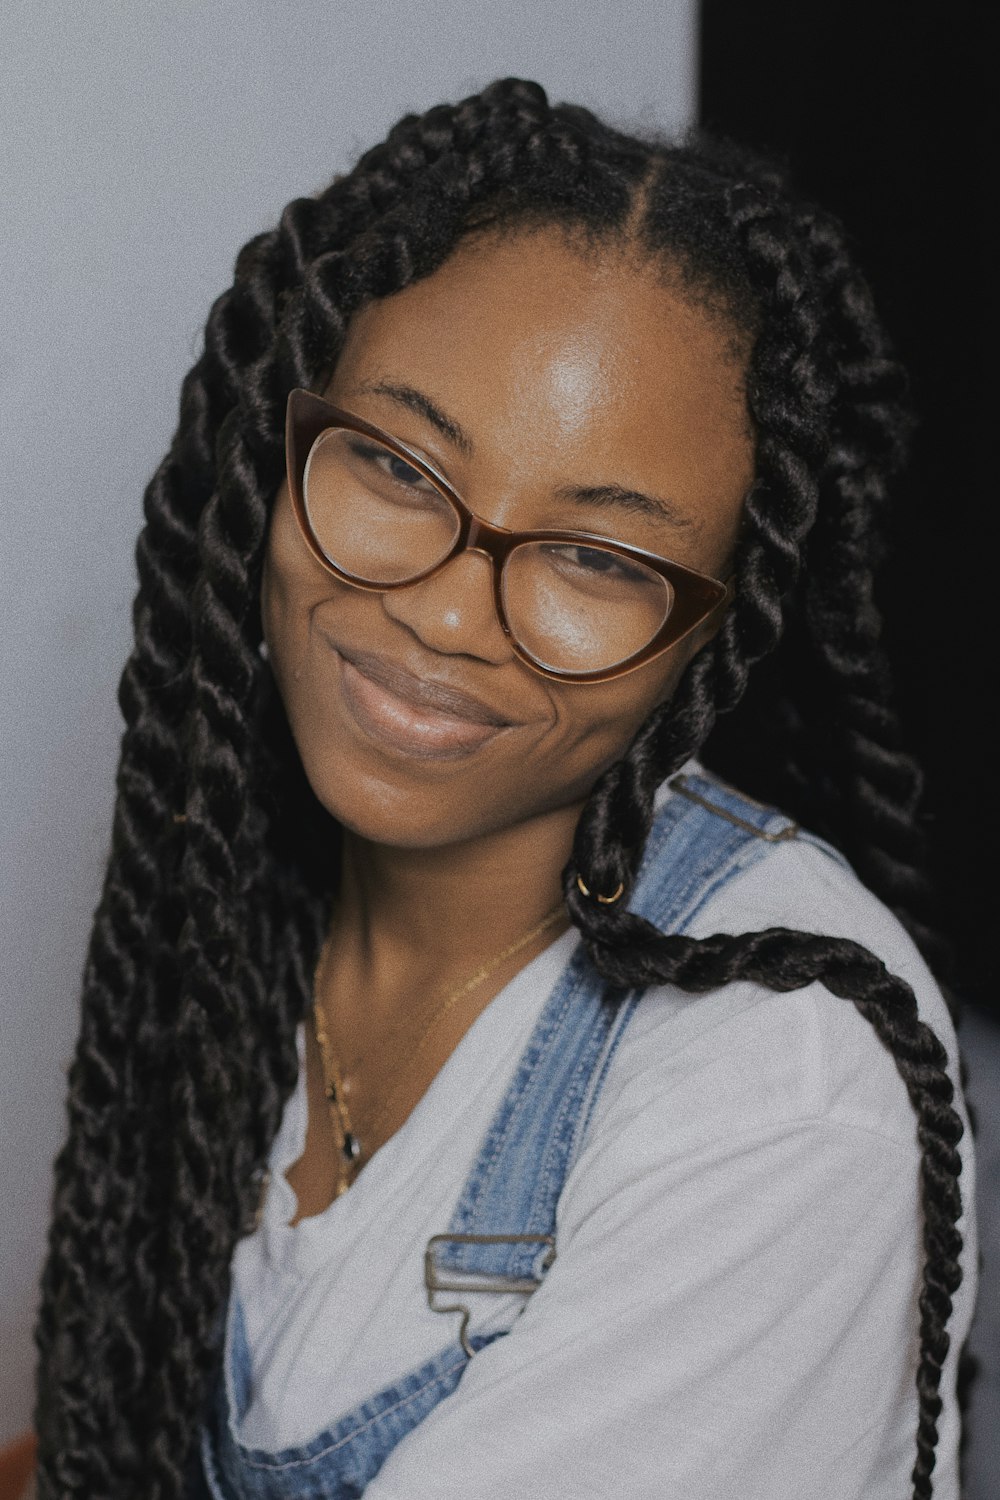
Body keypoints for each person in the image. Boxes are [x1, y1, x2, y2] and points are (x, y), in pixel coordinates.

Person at [31, 78, 976, 1500]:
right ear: (274, 453)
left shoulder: (780, 1093)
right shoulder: (239, 886)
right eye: (399, 465)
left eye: (598, 558)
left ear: (714, 634)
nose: (451, 616)